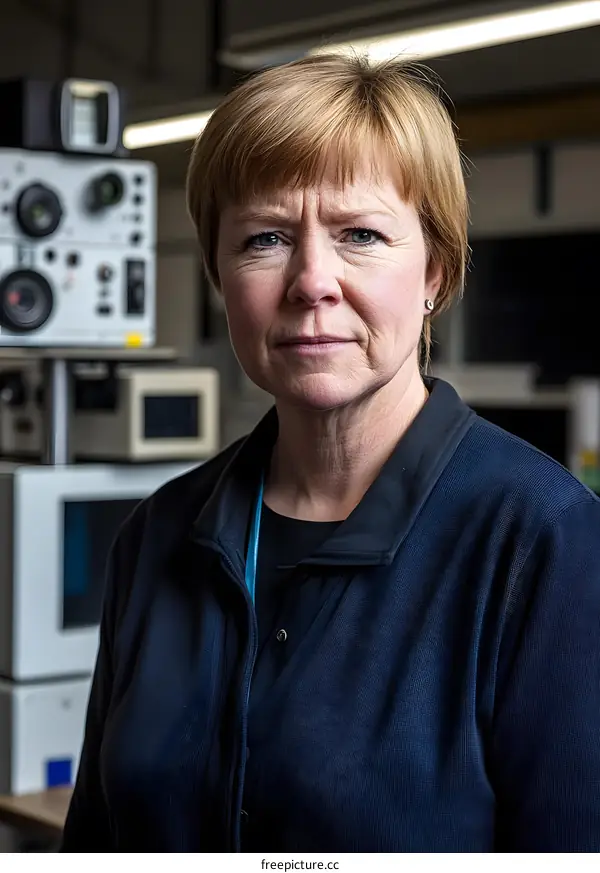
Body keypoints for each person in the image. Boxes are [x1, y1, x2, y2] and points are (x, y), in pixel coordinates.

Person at [61, 53, 600, 853]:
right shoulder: (157, 536)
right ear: (219, 275)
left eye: (361, 234)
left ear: (436, 271)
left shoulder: (544, 543)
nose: (312, 280)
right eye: (265, 238)